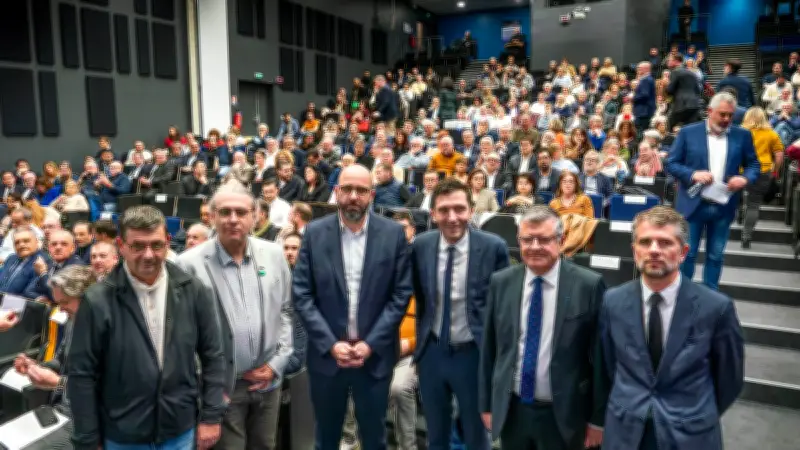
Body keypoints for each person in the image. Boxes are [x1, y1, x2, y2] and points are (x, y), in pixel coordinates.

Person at [68, 206, 227, 450]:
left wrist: (211, 416)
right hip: (123, 435)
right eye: (138, 246)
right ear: (121, 246)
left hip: (179, 430)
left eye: (156, 245)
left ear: (168, 241)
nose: (149, 255)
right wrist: (87, 439)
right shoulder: (97, 300)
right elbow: (82, 375)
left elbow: (214, 357)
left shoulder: (193, 291)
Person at [598, 206, 744, 450]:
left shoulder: (716, 308)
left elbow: (729, 380)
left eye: (665, 243)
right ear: (634, 251)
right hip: (625, 432)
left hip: (690, 435)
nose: (654, 250)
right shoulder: (612, 301)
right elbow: (608, 365)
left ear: (683, 252)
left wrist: (696, 413)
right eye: (645, 242)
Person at [293, 164, 413, 450]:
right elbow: (302, 294)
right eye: (347, 189)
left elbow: (400, 295)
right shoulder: (314, 233)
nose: (353, 196)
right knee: (326, 438)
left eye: (361, 190)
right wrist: (331, 343)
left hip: (374, 358)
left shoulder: (393, 234)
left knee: (374, 439)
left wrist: (370, 344)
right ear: (336, 192)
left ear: (372, 194)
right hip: (327, 359)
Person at [177, 183, 293, 450]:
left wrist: (277, 364)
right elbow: (184, 335)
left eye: (241, 212)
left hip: (268, 381)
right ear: (212, 215)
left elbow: (287, 311)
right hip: (224, 388)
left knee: (265, 445)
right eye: (225, 212)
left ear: (255, 216)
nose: (233, 219)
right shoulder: (188, 265)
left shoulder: (275, 255)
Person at [479, 205, 605, 449]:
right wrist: (486, 404)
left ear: (562, 239)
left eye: (544, 239)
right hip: (513, 410)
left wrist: (598, 420)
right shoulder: (501, 282)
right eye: (528, 239)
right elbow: (490, 348)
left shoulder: (588, 285)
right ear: (519, 240)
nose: (535, 246)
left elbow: (600, 359)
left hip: (564, 415)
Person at [410, 178, 510, 450]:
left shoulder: (494, 247)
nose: (452, 217)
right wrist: (420, 348)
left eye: (459, 209)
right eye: (443, 210)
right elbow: (419, 298)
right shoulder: (421, 245)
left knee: (477, 436)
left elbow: (504, 307)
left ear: (471, 209)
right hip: (433, 353)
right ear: (432, 213)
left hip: (474, 355)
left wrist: (497, 359)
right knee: (436, 434)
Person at [665, 92, 760, 290]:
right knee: (687, 255)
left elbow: (753, 165)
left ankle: (710, 299)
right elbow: (671, 163)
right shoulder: (688, 133)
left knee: (716, 256)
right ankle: (683, 296)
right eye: (722, 114)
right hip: (692, 206)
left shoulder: (743, 135)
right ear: (709, 111)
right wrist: (692, 174)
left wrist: (744, 178)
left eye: (730, 115)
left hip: (723, 207)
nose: (726, 119)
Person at [11, 265, 97, 449]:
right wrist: (38, 366)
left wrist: (58, 382)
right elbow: (61, 359)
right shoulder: (75, 320)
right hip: (61, 407)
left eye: (65, 302)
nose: (61, 309)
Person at [740, 107, 784, 248]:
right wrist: (775, 171)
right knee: (754, 204)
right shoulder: (771, 134)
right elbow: (779, 155)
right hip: (763, 170)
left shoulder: (740, 133)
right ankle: (746, 236)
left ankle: (741, 210)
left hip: (743, 170)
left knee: (740, 196)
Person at [666, 54, 702, 129]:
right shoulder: (692, 73)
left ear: (676, 61)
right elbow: (698, 90)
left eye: (669, 60)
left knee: (670, 126)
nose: (667, 62)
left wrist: (666, 85)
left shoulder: (675, 71)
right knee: (691, 129)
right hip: (695, 105)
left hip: (681, 106)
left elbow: (670, 90)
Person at [633, 62, 656, 133]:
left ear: (646, 69)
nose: (637, 70)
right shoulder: (649, 79)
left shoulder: (645, 80)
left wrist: (633, 98)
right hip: (646, 110)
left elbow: (644, 95)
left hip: (643, 111)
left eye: (639, 68)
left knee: (641, 132)